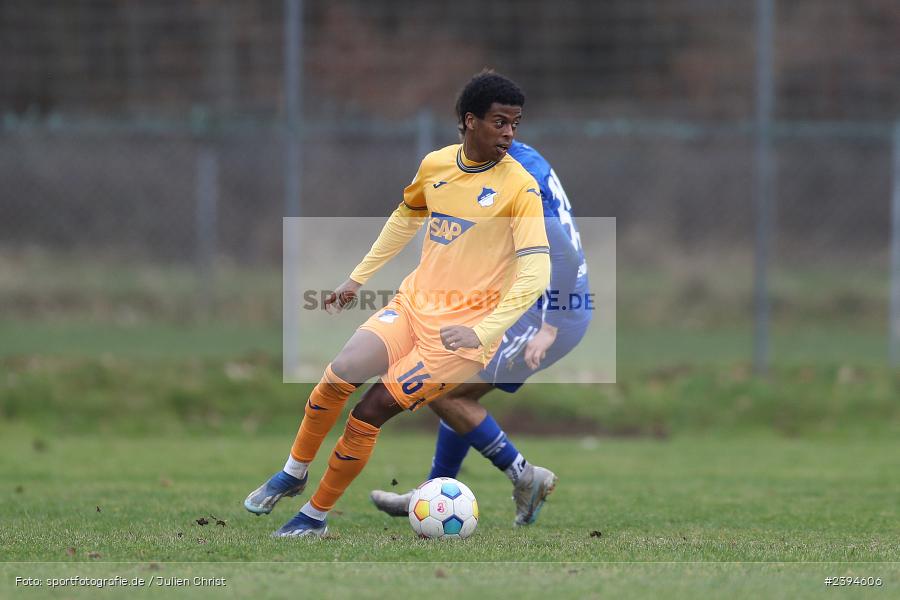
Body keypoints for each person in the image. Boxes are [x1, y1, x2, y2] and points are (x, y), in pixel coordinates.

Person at [243, 71, 551, 537]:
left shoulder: (520, 187)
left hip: (459, 338)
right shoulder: (436, 166)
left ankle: (315, 516)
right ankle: (293, 471)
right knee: (340, 372)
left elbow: (536, 272)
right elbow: (403, 219)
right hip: (413, 307)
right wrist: (356, 279)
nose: (510, 134)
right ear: (470, 122)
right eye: (499, 122)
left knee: (370, 410)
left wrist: (484, 332)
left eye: (516, 124)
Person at [370, 138, 591, 526]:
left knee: (440, 387)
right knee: (455, 394)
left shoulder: (518, 175)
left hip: (545, 311)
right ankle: (436, 492)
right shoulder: (516, 156)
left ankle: (524, 475)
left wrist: (549, 327)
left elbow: (565, 257)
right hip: (528, 306)